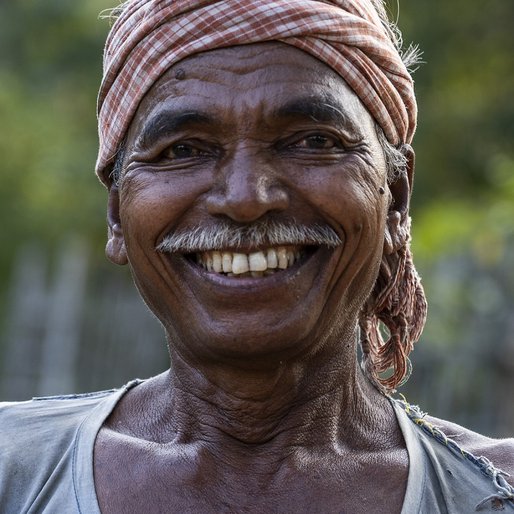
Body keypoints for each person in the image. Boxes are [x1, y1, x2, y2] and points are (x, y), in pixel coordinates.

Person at [1, 0, 513, 512]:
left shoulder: (494, 491)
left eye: (313, 141)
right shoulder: (13, 468)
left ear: (396, 200)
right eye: (183, 149)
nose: (246, 199)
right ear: (116, 215)